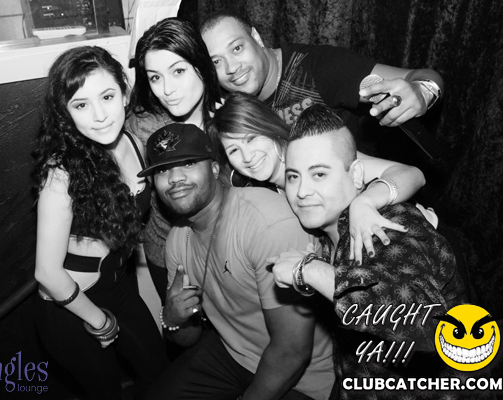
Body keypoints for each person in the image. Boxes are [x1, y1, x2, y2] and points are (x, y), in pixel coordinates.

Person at [268, 104, 467, 399]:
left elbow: (426, 329)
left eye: (319, 174)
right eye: (293, 177)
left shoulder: (388, 224)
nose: (302, 191)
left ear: (356, 175)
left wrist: (309, 270)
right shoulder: (329, 235)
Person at [138, 123, 335, 400]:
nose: (174, 178)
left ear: (214, 169)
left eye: (189, 163)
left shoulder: (267, 223)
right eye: (162, 170)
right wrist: (172, 319)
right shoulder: (176, 239)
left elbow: (292, 352)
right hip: (233, 354)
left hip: (303, 379)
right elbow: (187, 338)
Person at [32, 46, 169, 400]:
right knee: (106, 392)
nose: (99, 116)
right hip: (69, 306)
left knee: (160, 375)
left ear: (124, 94)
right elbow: (47, 272)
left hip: (119, 288)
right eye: (81, 105)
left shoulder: (134, 143)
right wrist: (98, 320)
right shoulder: (61, 173)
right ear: (66, 114)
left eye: (107, 97)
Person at [208, 91, 430, 262]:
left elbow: (413, 174)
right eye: (234, 150)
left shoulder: (312, 151)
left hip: (416, 244)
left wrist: (365, 202)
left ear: (269, 128)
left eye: (251, 139)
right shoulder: (262, 194)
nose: (247, 157)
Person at [200, 11, 444, 132]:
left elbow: (425, 76)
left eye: (237, 48)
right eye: (216, 62)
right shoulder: (223, 103)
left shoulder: (319, 68)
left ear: (256, 38)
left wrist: (422, 91)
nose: (232, 68)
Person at [124, 17, 223, 299]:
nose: (167, 90)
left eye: (178, 71)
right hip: (168, 255)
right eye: (155, 77)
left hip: (228, 250)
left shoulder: (230, 115)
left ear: (201, 64)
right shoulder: (144, 127)